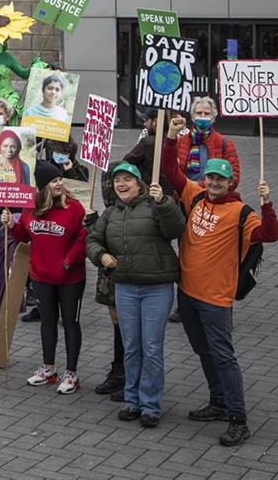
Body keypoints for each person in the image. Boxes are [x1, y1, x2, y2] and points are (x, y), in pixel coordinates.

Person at [160, 115, 278, 447]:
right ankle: (217, 402)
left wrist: (267, 204)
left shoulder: (241, 212)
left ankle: (238, 419)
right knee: (203, 351)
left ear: (230, 183)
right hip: (187, 293)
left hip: (216, 298)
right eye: (210, 177)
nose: (213, 183)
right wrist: (170, 137)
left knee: (223, 356)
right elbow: (172, 171)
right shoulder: (196, 195)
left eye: (220, 179)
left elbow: (269, 234)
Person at [86, 162, 184, 428]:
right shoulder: (110, 213)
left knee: (151, 348)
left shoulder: (155, 205)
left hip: (156, 288)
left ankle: (150, 405)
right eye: (118, 180)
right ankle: (133, 400)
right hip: (125, 288)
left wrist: (163, 201)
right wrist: (101, 255)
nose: (121, 184)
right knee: (131, 347)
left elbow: (176, 229)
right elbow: (93, 240)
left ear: (139, 183)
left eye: (127, 179)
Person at [3, 161, 88, 394]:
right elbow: (25, 235)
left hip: (70, 278)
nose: (59, 183)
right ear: (42, 187)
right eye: (53, 181)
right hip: (41, 276)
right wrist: (12, 224)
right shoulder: (32, 208)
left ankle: (72, 373)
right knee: (47, 322)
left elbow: (82, 239)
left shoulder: (74, 208)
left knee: (70, 323)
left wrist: (69, 262)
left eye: (60, 179)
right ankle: (48, 368)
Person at [175, 96, 241, 188]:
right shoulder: (181, 142)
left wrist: (199, 186)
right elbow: (173, 172)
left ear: (213, 117)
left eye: (206, 113)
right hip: (185, 196)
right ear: (193, 116)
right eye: (199, 113)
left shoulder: (225, 143)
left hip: (214, 197)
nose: (202, 116)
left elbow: (234, 177)